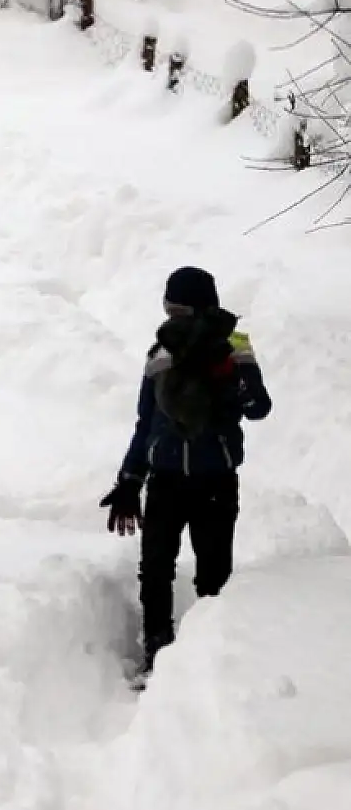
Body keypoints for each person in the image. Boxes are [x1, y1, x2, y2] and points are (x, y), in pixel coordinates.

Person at [99, 266, 272, 679]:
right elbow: (146, 424)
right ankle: (157, 656)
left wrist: (234, 378)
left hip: (216, 480)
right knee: (155, 571)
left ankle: (213, 664)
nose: (174, 317)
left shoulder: (234, 345)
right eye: (170, 309)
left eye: (180, 309)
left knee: (214, 577)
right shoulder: (160, 352)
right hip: (166, 480)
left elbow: (259, 408)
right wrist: (129, 480)